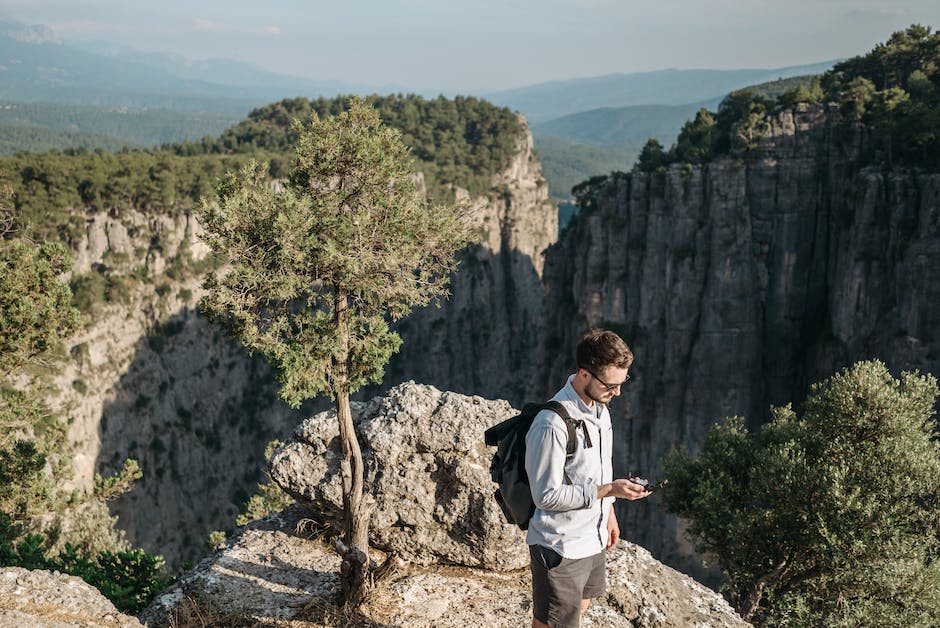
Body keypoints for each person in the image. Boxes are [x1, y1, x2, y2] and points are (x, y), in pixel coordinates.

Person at [525, 328, 650, 628]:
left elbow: (596, 467)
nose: (617, 392)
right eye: (610, 385)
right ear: (584, 374)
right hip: (561, 547)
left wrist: (609, 513)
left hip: (591, 540)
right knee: (553, 623)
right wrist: (610, 490)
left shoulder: (600, 409)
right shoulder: (552, 423)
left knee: (576, 615)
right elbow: (545, 496)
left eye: (622, 383)